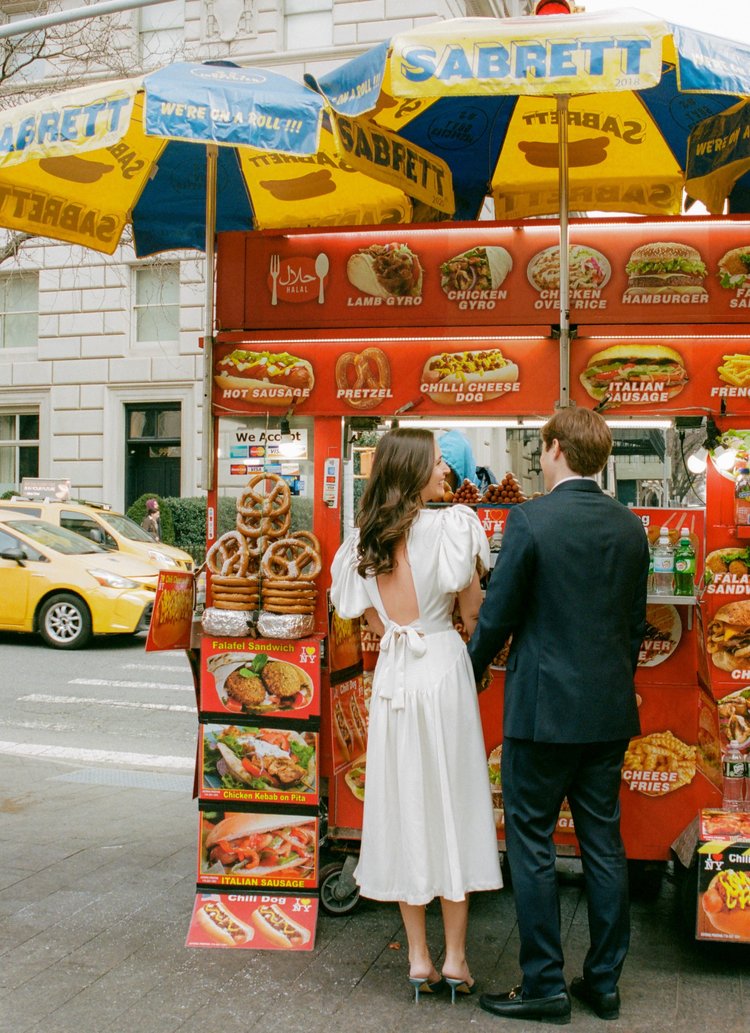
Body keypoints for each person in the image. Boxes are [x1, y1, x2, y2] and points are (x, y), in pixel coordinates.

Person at [467, 407, 649, 1025]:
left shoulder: (531, 520)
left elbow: (499, 614)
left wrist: (469, 668)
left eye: (541, 449)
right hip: (607, 714)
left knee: (533, 845)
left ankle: (544, 984)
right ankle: (603, 982)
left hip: (542, 715)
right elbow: (633, 627)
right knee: (603, 846)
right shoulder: (631, 527)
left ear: (553, 450)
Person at [330, 428, 502, 1004]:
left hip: (395, 678)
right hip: (444, 669)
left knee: (405, 805)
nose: (445, 474)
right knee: (453, 804)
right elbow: (474, 610)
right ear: (411, 471)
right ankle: (456, 958)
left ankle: (418, 957)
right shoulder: (453, 528)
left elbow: (368, 621)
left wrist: (398, 632)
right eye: (435, 464)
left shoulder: (362, 540)